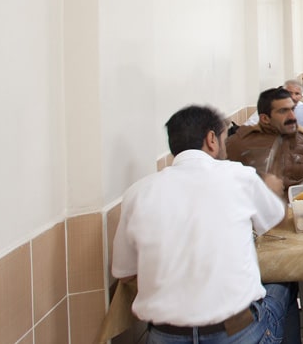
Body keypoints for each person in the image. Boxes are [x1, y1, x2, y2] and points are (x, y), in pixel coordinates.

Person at [113, 105, 292, 343]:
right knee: (285, 283)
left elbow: (124, 274)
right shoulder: (239, 175)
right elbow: (274, 220)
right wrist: (271, 189)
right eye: (224, 138)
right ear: (211, 139)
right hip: (236, 332)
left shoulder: (137, 193)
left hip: (165, 335)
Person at [227, 87, 303, 194]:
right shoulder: (238, 144)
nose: (292, 117)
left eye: (292, 109)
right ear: (265, 119)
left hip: (297, 202)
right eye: (283, 111)